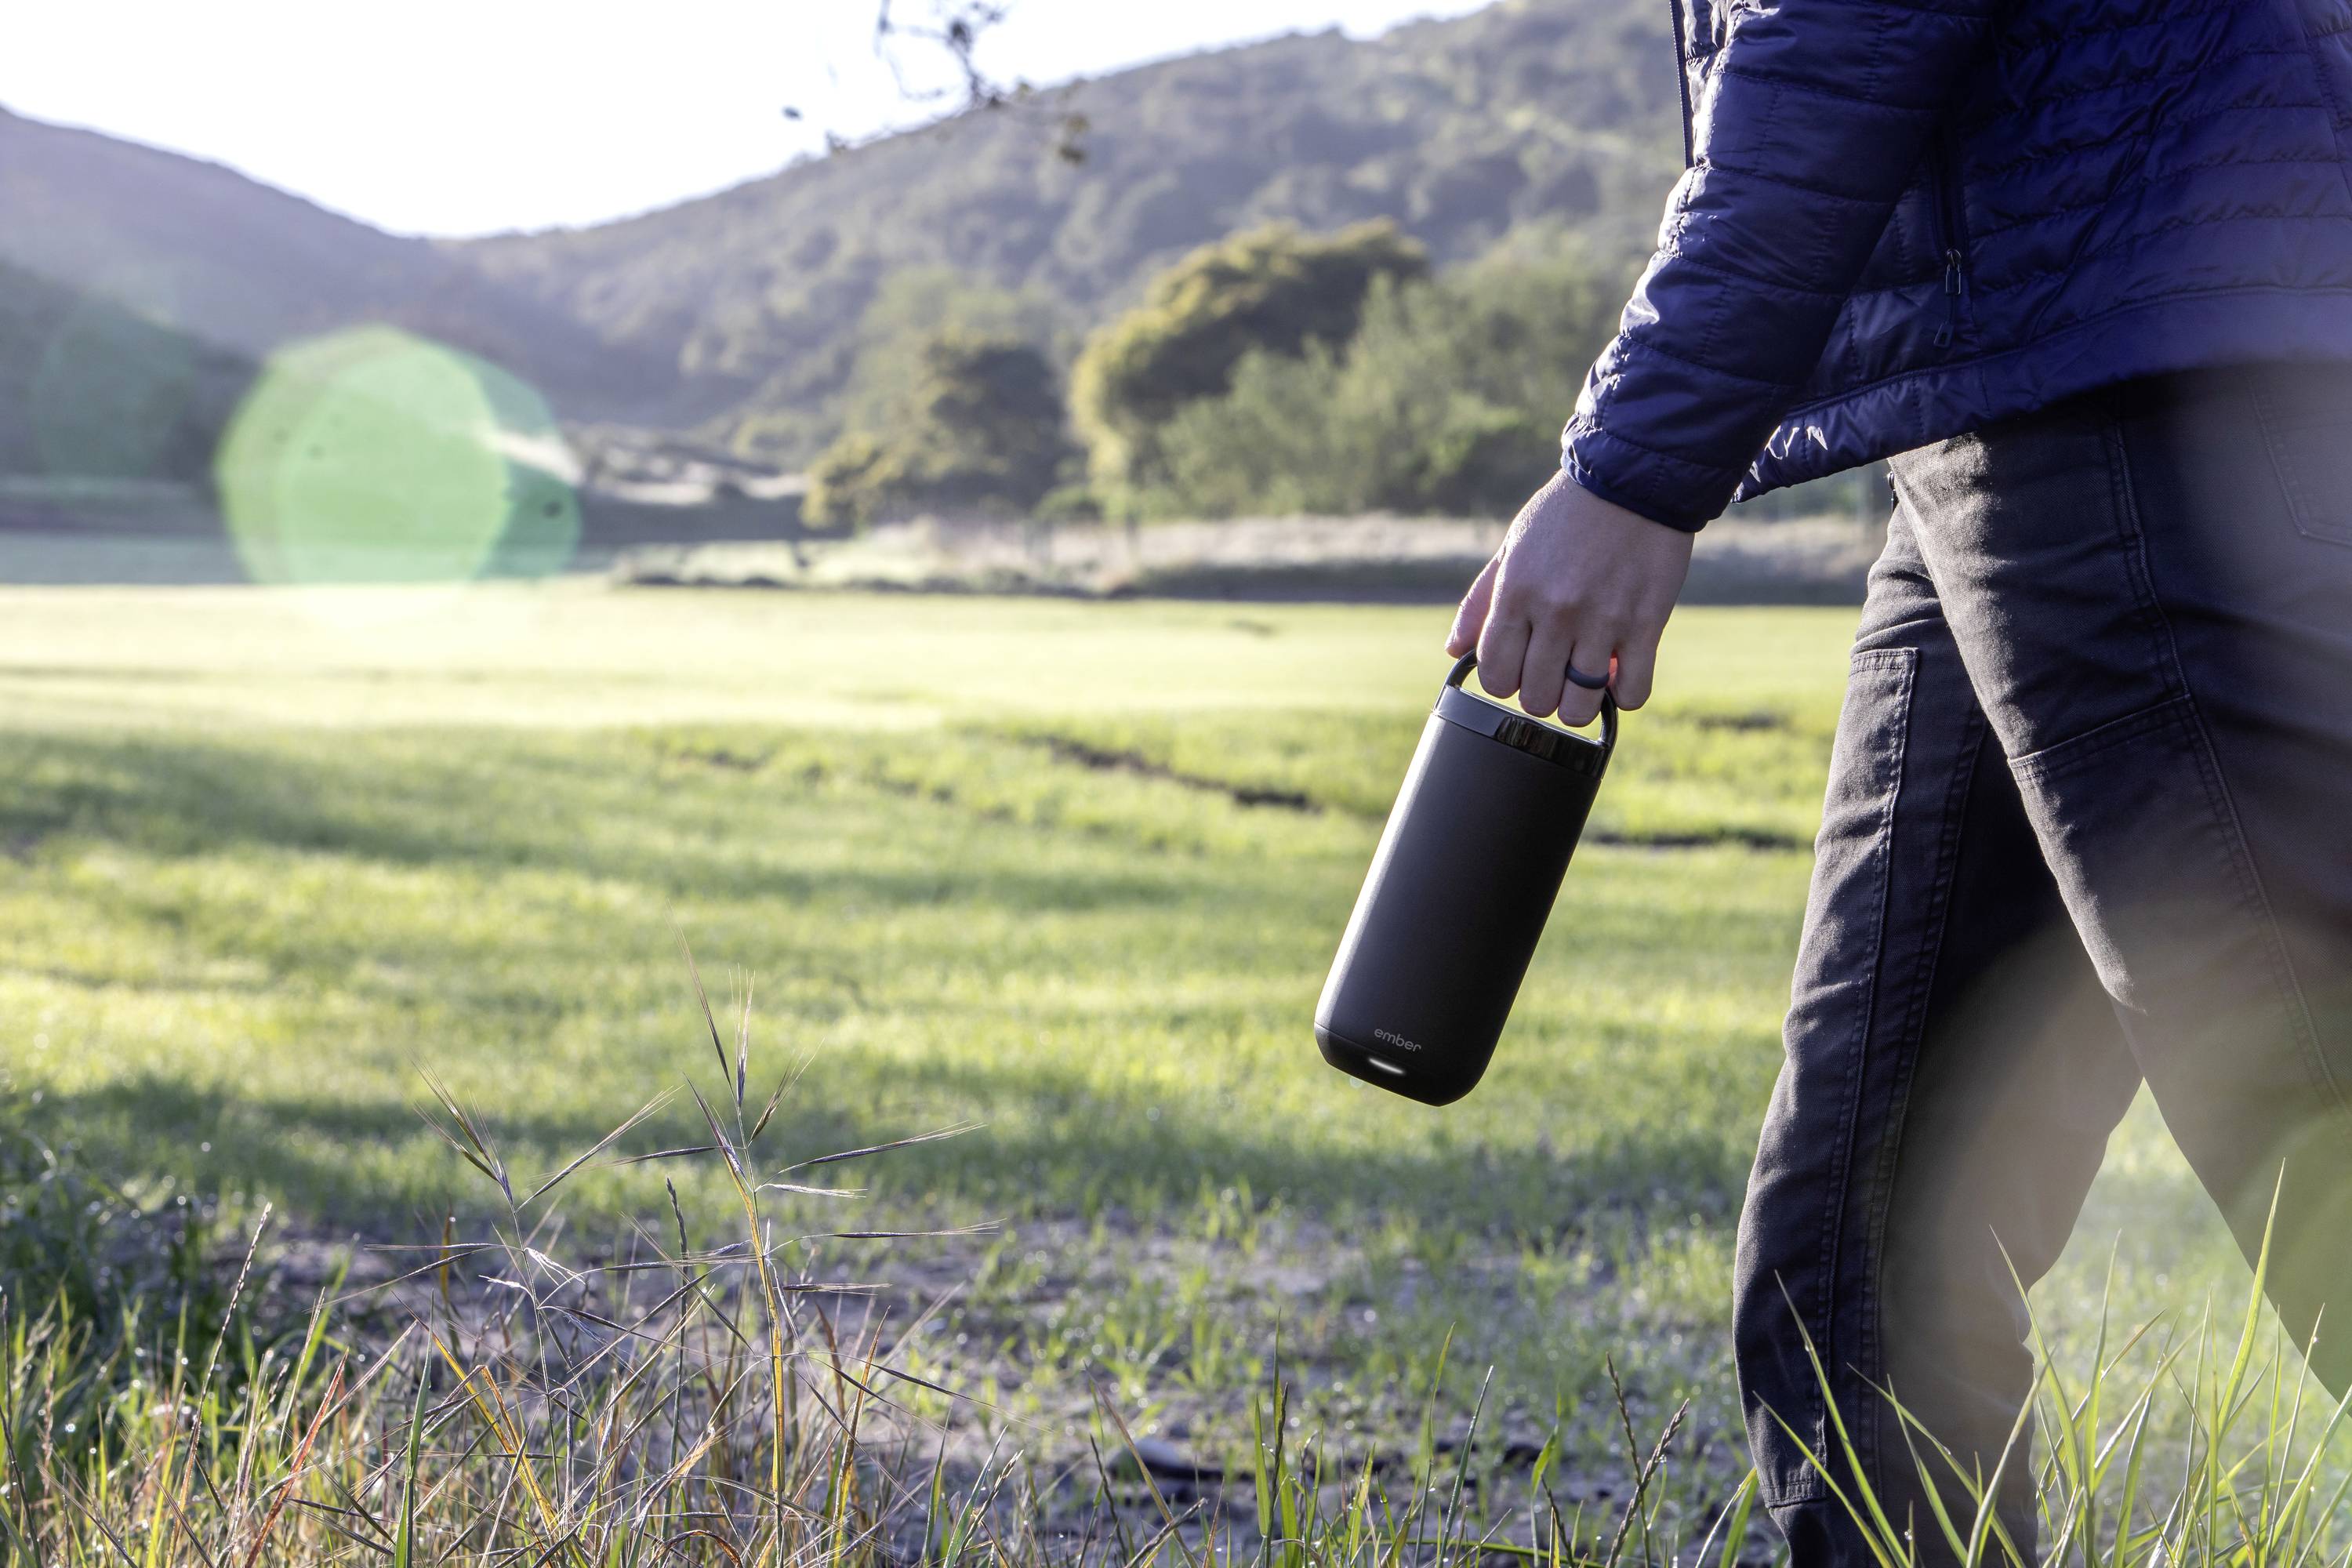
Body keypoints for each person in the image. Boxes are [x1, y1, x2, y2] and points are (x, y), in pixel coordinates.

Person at [1443, 2, 2352, 1562]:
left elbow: (1842, 36)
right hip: (2023, 382)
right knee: (1867, 1235)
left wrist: (1633, 467)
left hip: (2141, 385)